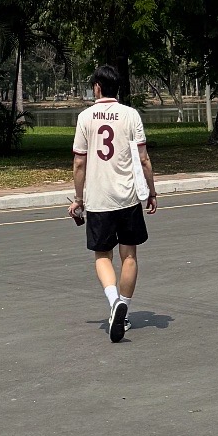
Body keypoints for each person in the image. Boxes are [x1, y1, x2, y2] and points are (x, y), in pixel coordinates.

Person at [69, 65, 157, 342]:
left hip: (99, 199)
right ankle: (124, 309)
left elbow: (79, 162)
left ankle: (114, 301)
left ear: (97, 87)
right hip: (127, 197)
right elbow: (144, 159)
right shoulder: (131, 115)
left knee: (102, 256)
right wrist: (151, 192)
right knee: (129, 256)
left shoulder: (85, 117)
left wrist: (79, 199)